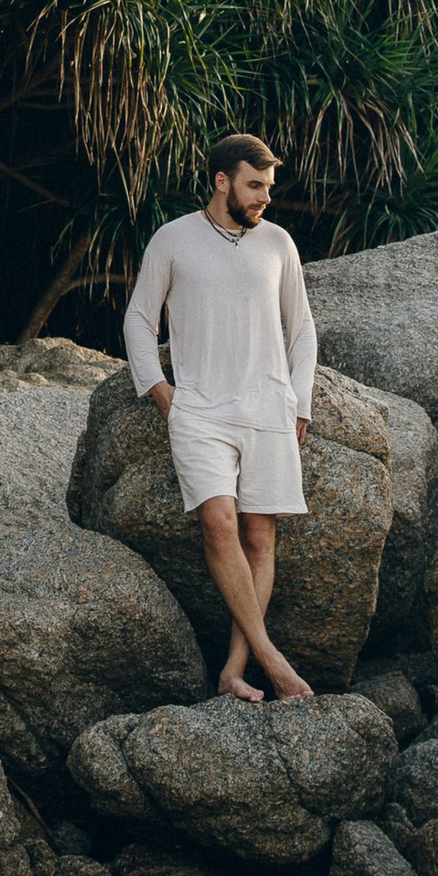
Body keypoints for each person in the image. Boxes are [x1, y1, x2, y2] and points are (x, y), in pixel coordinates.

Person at [123, 132, 316, 702]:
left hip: (268, 406)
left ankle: (234, 669)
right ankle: (272, 658)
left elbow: (301, 329)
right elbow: (139, 318)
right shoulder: (174, 239)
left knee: (259, 537)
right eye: (254, 185)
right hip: (200, 409)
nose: (264, 198)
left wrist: (299, 402)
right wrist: (160, 391)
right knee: (218, 523)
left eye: (269, 187)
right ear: (221, 181)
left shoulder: (279, 243)